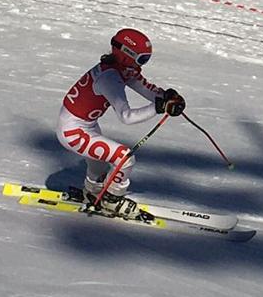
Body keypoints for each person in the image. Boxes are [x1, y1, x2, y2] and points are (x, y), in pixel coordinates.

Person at [55, 28, 186, 219]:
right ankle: (112, 199)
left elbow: (144, 86)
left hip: (85, 126)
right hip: (73, 131)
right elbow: (127, 116)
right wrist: (158, 107)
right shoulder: (109, 78)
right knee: (124, 158)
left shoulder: (121, 69)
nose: (143, 65)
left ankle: (93, 192)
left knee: (99, 166)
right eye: (142, 59)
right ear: (127, 55)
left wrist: (165, 96)